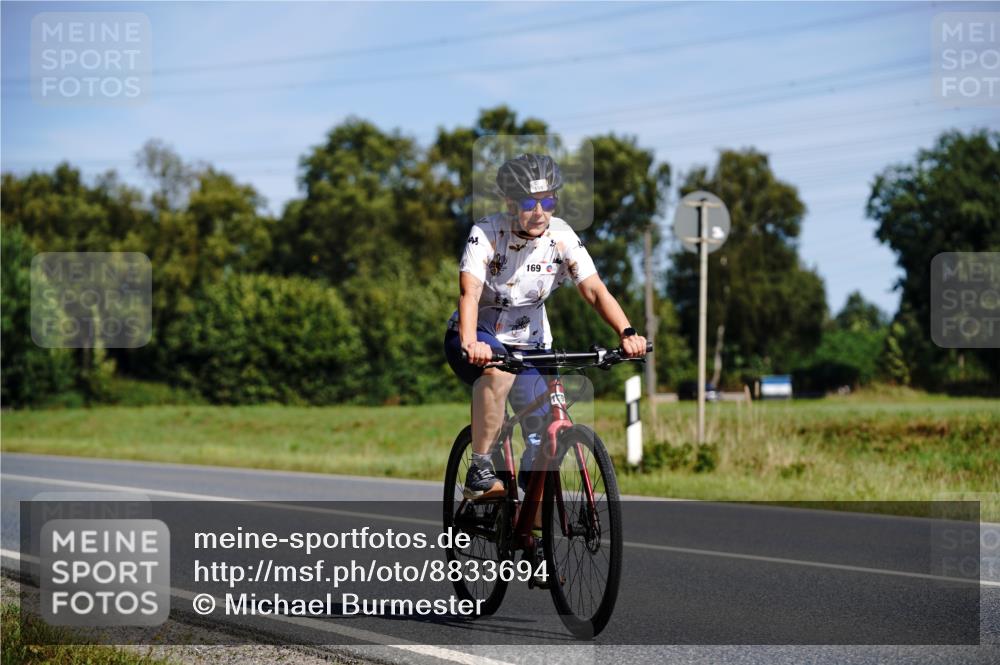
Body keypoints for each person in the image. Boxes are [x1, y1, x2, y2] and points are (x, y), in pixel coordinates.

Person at [443, 153, 647, 500]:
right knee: (498, 373)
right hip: (478, 334)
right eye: (528, 202)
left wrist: (627, 333)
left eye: (548, 201)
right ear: (509, 202)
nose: (540, 212)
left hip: (531, 344)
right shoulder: (487, 233)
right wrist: (470, 343)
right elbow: (470, 293)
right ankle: (479, 468)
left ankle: (529, 531)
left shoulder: (562, 236)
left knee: (543, 441)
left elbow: (595, 291)